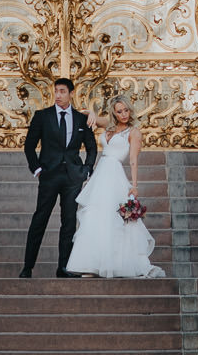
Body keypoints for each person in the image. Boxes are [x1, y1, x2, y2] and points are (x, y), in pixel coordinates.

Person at [66, 97, 164, 279]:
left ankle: (114, 265)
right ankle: (92, 266)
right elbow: (86, 114)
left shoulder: (134, 132)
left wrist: (134, 186)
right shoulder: (109, 126)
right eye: (119, 111)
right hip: (101, 173)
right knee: (95, 217)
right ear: (114, 112)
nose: (123, 114)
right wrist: (93, 113)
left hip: (115, 174)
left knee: (115, 220)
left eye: (126, 110)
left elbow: (133, 159)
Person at [21, 75, 97, 277]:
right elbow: (29, 146)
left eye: (63, 91)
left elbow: (92, 147)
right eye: (56, 91)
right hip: (49, 175)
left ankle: (64, 267)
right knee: (40, 219)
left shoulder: (81, 119)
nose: (58, 95)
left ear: (72, 94)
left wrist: (87, 170)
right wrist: (37, 169)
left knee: (69, 222)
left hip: (73, 177)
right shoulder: (42, 116)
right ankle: (27, 267)